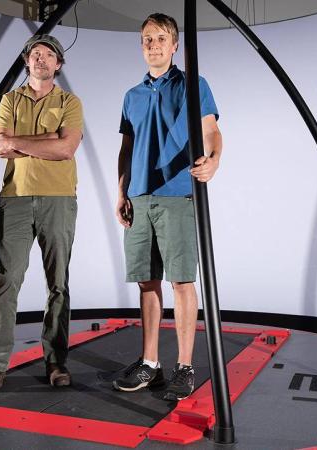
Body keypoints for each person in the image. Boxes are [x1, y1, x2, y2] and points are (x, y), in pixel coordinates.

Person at [113, 13, 223, 401]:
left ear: (174, 45)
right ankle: (150, 364)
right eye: (147, 39)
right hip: (139, 197)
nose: (153, 44)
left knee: (181, 281)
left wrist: (214, 159)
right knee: (147, 281)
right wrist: (122, 193)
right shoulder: (132, 96)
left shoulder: (193, 85)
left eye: (161, 38)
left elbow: (211, 130)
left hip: (177, 193)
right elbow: (126, 149)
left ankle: (185, 367)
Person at [0, 34, 83, 391]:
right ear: (27, 61)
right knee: (7, 279)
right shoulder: (8, 100)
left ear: (58, 64)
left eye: (48, 54)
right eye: (35, 53)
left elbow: (66, 149)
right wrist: (46, 140)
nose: (40, 58)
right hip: (17, 197)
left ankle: (56, 362)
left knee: (58, 283)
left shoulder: (70, 101)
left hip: (58, 198)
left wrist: (19, 143)